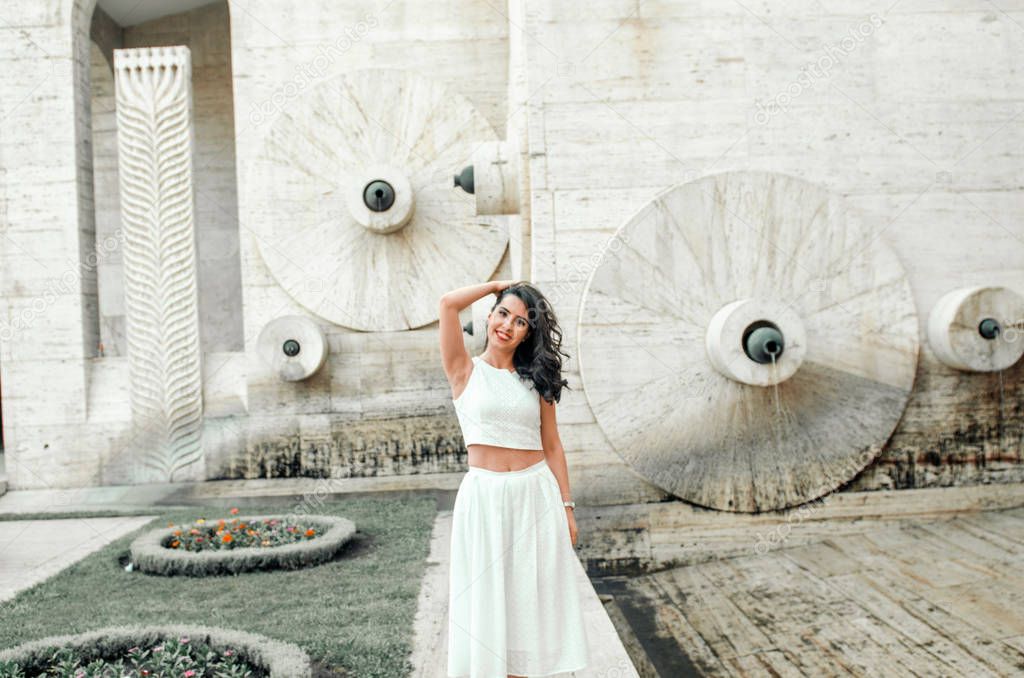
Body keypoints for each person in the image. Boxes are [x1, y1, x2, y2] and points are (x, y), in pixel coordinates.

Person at [439, 280, 589, 678]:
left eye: (521, 321)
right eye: (503, 313)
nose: (508, 325)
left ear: (528, 333)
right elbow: (448, 303)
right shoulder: (464, 370)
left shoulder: (536, 379)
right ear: (490, 317)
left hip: (535, 496)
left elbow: (553, 445)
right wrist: (498, 286)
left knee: (528, 603)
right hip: (484, 499)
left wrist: (567, 507)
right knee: (489, 601)